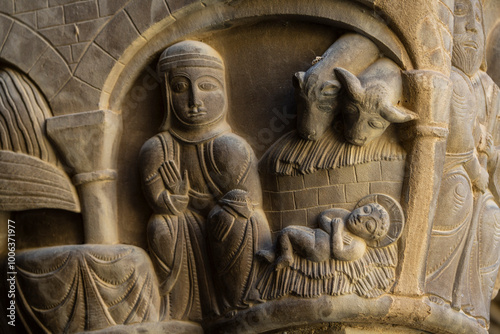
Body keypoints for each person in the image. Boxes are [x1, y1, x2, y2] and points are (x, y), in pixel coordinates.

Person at [139, 41, 271, 320]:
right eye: (179, 88)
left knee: (244, 221)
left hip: (226, 226)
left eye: (207, 86)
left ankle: (242, 302)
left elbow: (252, 199)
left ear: (223, 89)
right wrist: (175, 199)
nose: (194, 101)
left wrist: (226, 210)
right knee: (161, 225)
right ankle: (181, 311)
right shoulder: (158, 149)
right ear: (165, 94)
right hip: (186, 232)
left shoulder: (231, 147)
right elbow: (157, 200)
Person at [425, 0, 500, 324]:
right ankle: (435, 287)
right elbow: (455, 136)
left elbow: (493, 145)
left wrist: (490, 153)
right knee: (457, 195)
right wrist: (473, 168)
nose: (471, 26)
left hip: (479, 181)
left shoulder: (488, 88)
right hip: (454, 173)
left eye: (478, 19)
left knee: (492, 218)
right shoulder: (452, 79)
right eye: (459, 14)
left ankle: (472, 302)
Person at [258, 203, 390, 269]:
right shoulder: (345, 214)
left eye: (369, 226)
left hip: (318, 248)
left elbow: (338, 252)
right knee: (292, 229)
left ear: (369, 237)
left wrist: (337, 231)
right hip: (315, 233)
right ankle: (273, 253)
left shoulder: (359, 246)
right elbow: (323, 217)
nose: (361, 217)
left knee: (286, 232)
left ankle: (286, 257)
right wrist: (335, 230)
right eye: (366, 210)